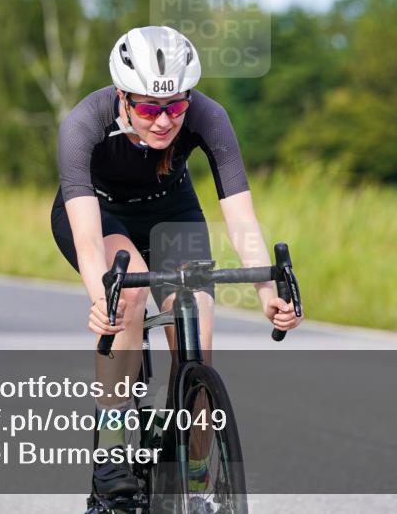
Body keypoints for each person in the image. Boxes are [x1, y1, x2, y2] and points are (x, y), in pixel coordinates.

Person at [51, 26, 303, 501]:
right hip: (101, 214)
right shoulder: (83, 123)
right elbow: (87, 240)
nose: (164, 121)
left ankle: (195, 477)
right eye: (148, 107)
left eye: (176, 106)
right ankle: (110, 455)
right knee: (126, 295)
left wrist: (268, 295)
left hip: (172, 212)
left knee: (199, 340)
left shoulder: (210, 116)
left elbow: (242, 217)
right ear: (123, 97)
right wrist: (98, 297)